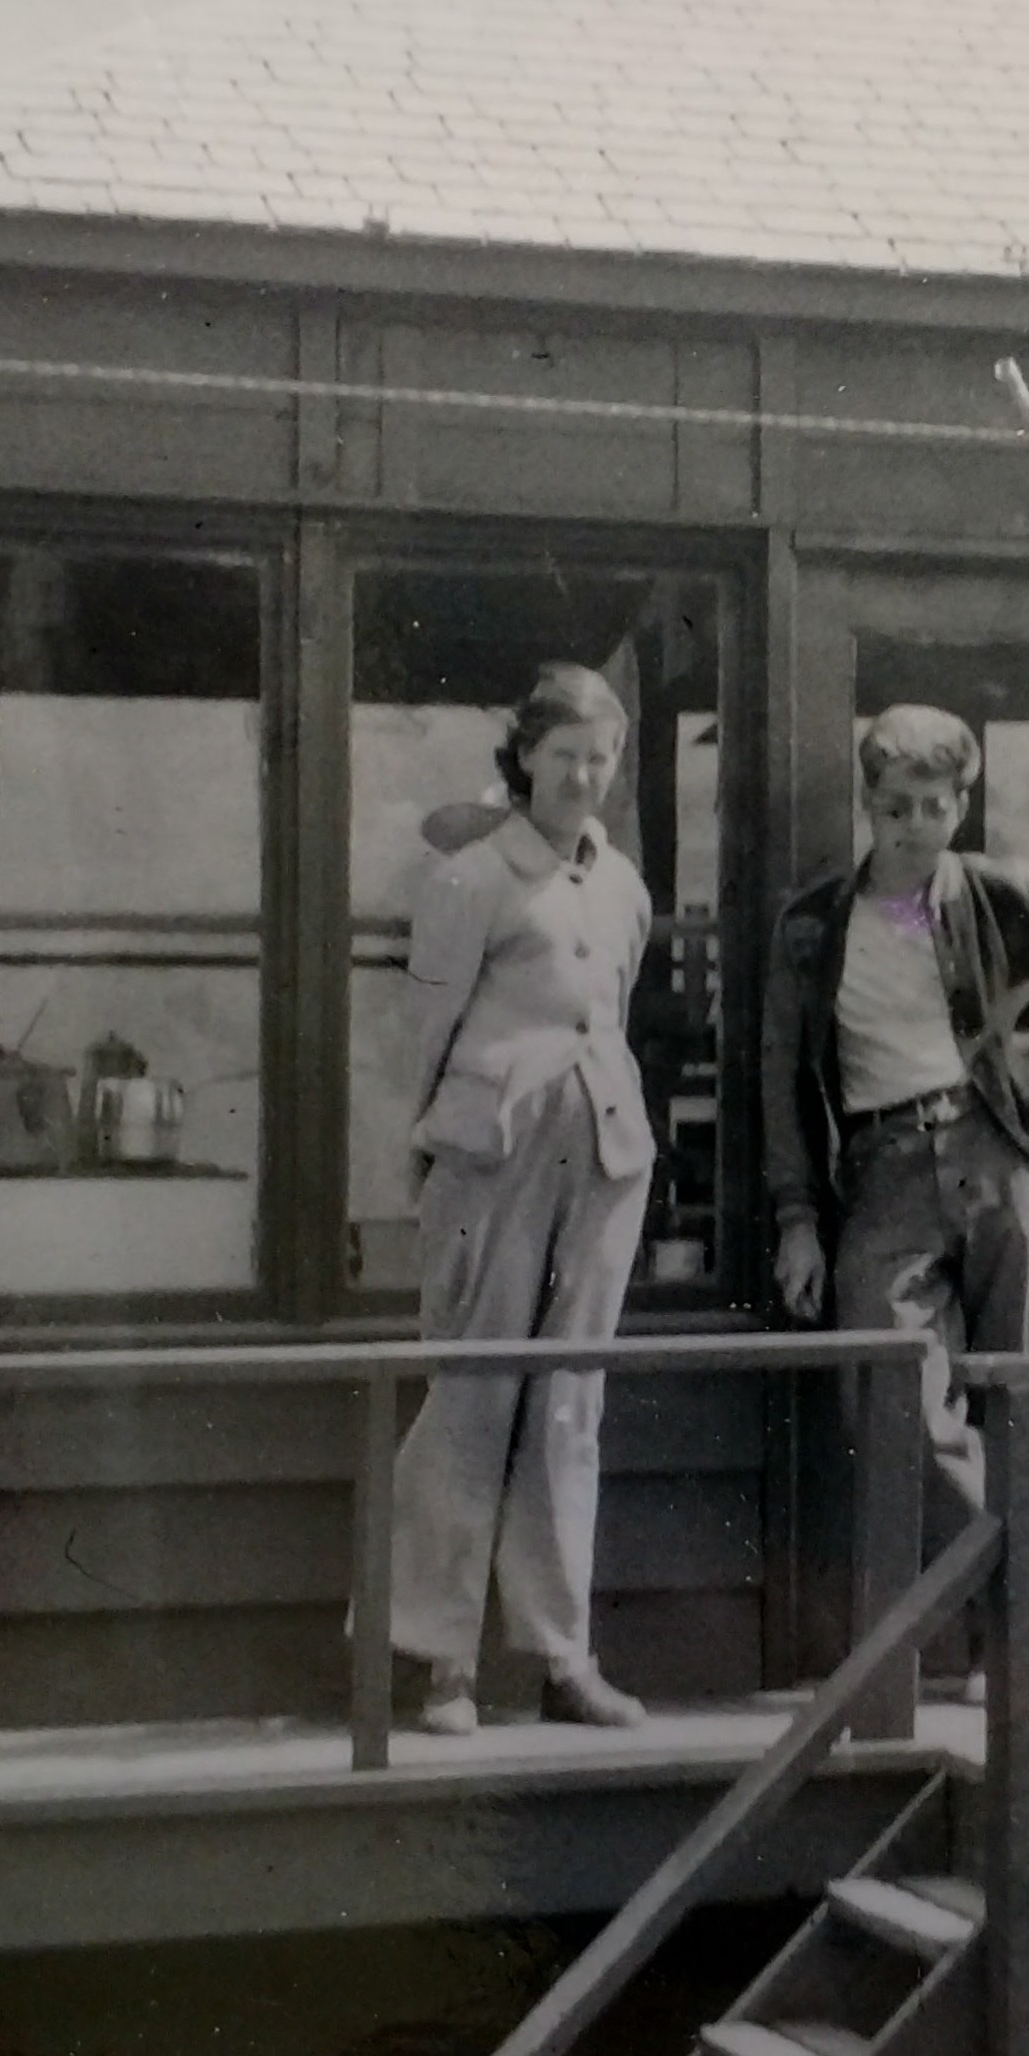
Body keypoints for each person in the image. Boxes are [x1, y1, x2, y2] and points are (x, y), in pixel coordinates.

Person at [763, 705, 1029, 1694]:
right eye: (894, 806)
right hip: (885, 1167)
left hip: (1005, 1157)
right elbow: (782, 1078)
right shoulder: (814, 921)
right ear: (867, 805)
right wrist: (797, 1216)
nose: (913, 826)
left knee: (1012, 1400)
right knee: (891, 1395)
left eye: (934, 807)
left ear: (962, 803)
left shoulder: (1000, 892)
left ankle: (1016, 1645)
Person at [381, 664, 660, 1737]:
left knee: (569, 1405)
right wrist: (430, 1153)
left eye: (601, 757)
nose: (583, 775)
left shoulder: (623, 884)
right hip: (488, 1151)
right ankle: (437, 1659)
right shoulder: (469, 879)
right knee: (471, 1394)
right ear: (525, 758)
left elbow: (614, 1014)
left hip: (601, 1154)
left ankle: (559, 1653)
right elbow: (427, 1034)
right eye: (565, 755)